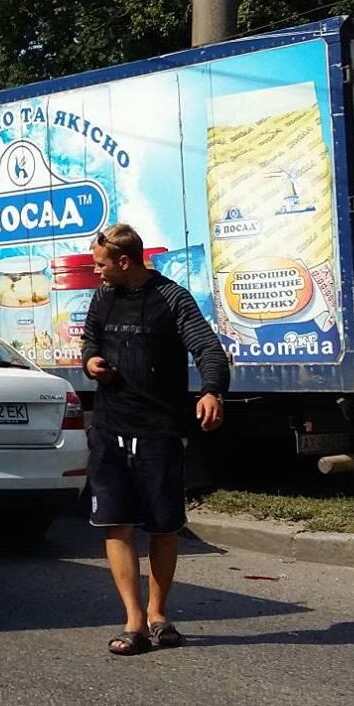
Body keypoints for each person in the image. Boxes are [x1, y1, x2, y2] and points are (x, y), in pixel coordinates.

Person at [80, 224, 230, 655]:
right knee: (116, 523)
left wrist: (211, 391)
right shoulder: (103, 297)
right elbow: (90, 339)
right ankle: (133, 623)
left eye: (101, 263)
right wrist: (91, 361)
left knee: (163, 526)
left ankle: (159, 615)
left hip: (159, 431)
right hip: (110, 428)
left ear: (124, 261)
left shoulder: (172, 298)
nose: (96, 271)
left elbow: (208, 349)